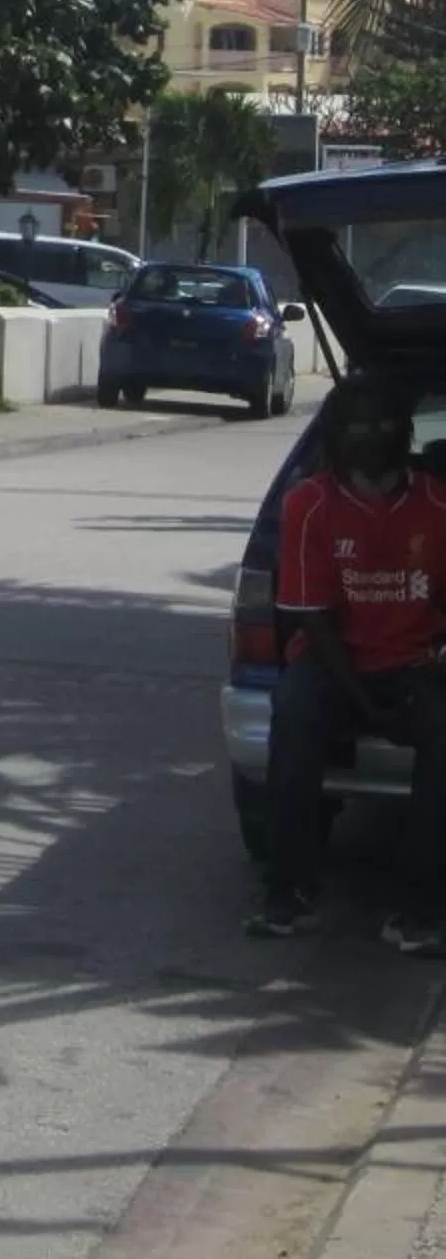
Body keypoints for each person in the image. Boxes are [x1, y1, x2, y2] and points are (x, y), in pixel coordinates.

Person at [253, 375, 446, 948]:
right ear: (335, 436)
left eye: (385, 423)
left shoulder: (438, 505)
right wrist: (366, 705)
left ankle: (420, 909)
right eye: (357, 424)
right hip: (331, 664)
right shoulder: (307, 504)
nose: (372, 436)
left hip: (411, 661)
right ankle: (287, 893)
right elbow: (310, 617)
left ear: (406, 433)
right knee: (293, 715)